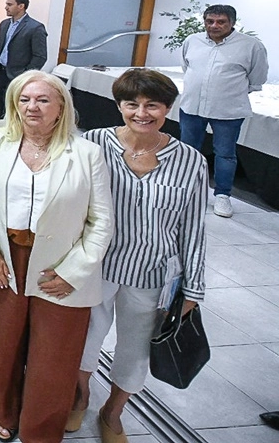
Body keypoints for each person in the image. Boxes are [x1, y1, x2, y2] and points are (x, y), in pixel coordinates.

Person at [0, 71, 113, 443]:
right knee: (3, 341)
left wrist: (75, 272)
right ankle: (1, 409)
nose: (32, 107)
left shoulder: (86, 154)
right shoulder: (0, 141)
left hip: (61, 264)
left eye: (43, 100)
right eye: (24, 100)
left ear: (61, 105)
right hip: (7, 256)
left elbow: (101, 223)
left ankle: (42, 428)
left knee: (55, 353)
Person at [71, 69, 207, 440]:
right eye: (132, 104)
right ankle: (79, 397)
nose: (141, 112)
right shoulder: (95, 143)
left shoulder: (191, 160)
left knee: (135, 351)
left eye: (153, 105)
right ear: (119, 105)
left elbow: (194, 228)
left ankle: (113, 412)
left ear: (168, 109)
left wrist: (193, 290)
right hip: (97, 265)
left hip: (153, 274)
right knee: (84, 340)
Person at [178, 3, 269, 217]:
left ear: (232, 23)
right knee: (187, 150)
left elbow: (257, 79)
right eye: (210, 21)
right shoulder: (193, 41)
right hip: (192, 106)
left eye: (221, 22)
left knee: (225, 154)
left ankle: (222, 196)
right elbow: (186, 67)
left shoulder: (251, 46)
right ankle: (184, 190)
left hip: (228, 110)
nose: (214, 26)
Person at [0, 0, 48, 120]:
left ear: (21, 6)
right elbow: (0, 47)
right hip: (0, 72)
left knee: (14, 110)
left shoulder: (35, 27)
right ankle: (1, 131)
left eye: (10, 4)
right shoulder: (4, 24)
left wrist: (26, 75)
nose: (6, 7)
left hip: (18, 75)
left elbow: (40, 56)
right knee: (0, 107)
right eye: (6, 4)